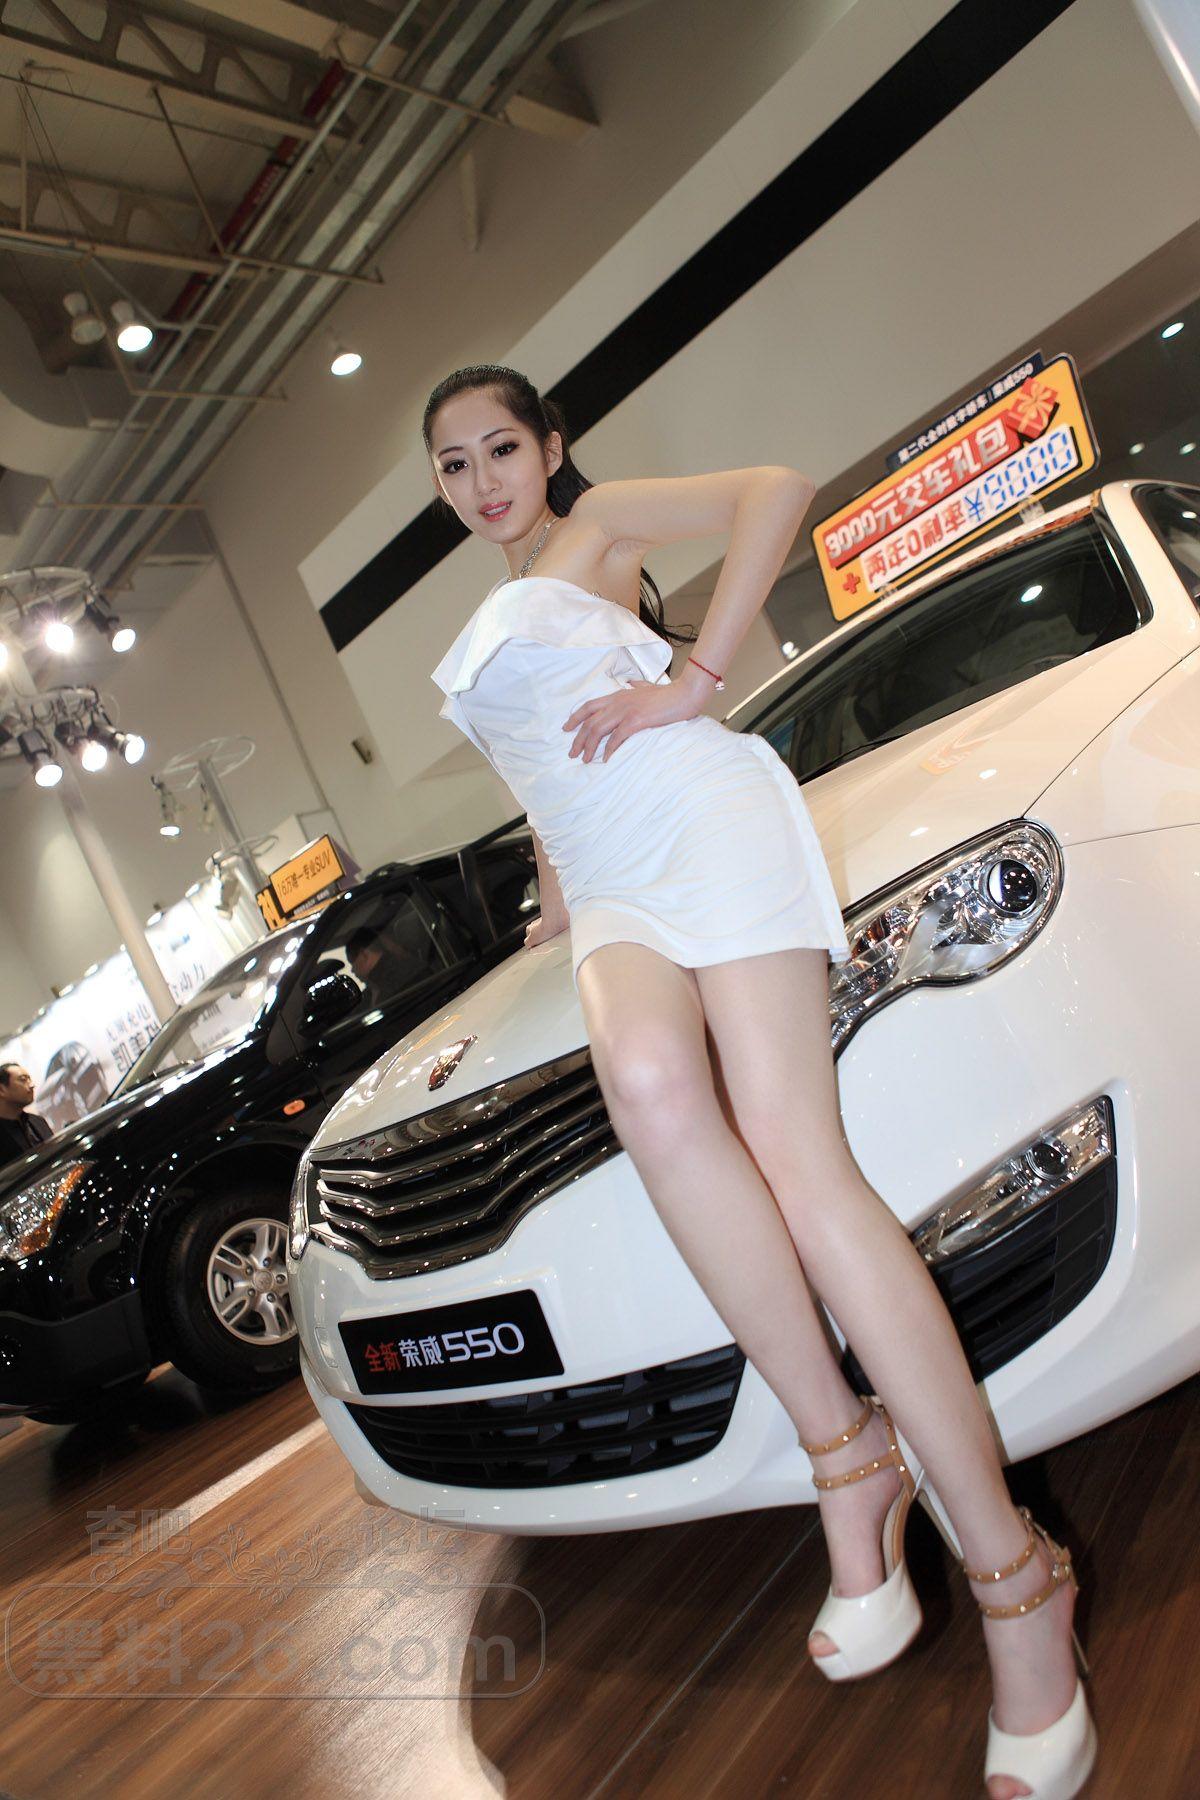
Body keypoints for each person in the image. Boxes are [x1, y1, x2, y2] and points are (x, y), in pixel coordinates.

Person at [425, 364, 1095, 1800]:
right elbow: (546, 766)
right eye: (453, 465)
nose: (482, 481)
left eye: (500, 448)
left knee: (800, 1163)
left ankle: (1019, 1581)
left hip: (703, 823)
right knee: (651, 1093)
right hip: (609, 880)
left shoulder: (594, 527)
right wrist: (553, 893)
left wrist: (694, 683)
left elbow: (774, 493)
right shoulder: (508, 602)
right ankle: (847, 1454)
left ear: (548, 448)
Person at [0, 1062, 53, 1166]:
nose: (32, 1085)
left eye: (29, 1079)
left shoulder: (38, 1121)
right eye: (23, 1080)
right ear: (2, 1090)